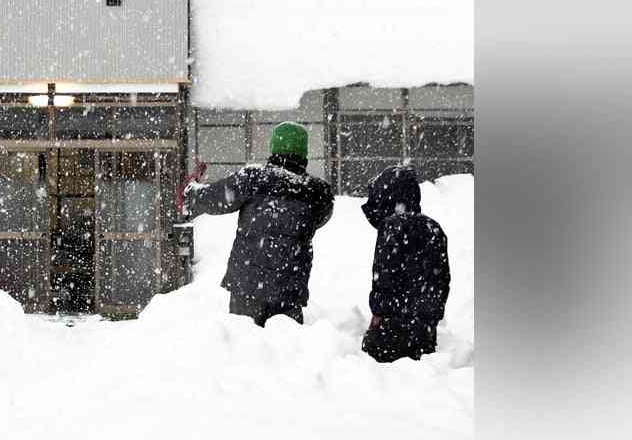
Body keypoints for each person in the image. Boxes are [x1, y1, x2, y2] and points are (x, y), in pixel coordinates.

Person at [183, 122, 334, 326]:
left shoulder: (254, 178)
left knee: (246, 346)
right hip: (289, 290)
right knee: (288, 349)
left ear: (274, 148)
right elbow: (318, 220)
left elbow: (214, 199)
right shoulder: (318, 192)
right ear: (303, 152)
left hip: (248, 287)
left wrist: (192, 191)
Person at [359, 165, 451, 363]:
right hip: (425, 330)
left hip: (392, 329)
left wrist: (379, 313)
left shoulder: (391, 227)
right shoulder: (433, 227)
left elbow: (384, 278)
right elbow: (442, 280)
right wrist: (430, 317)